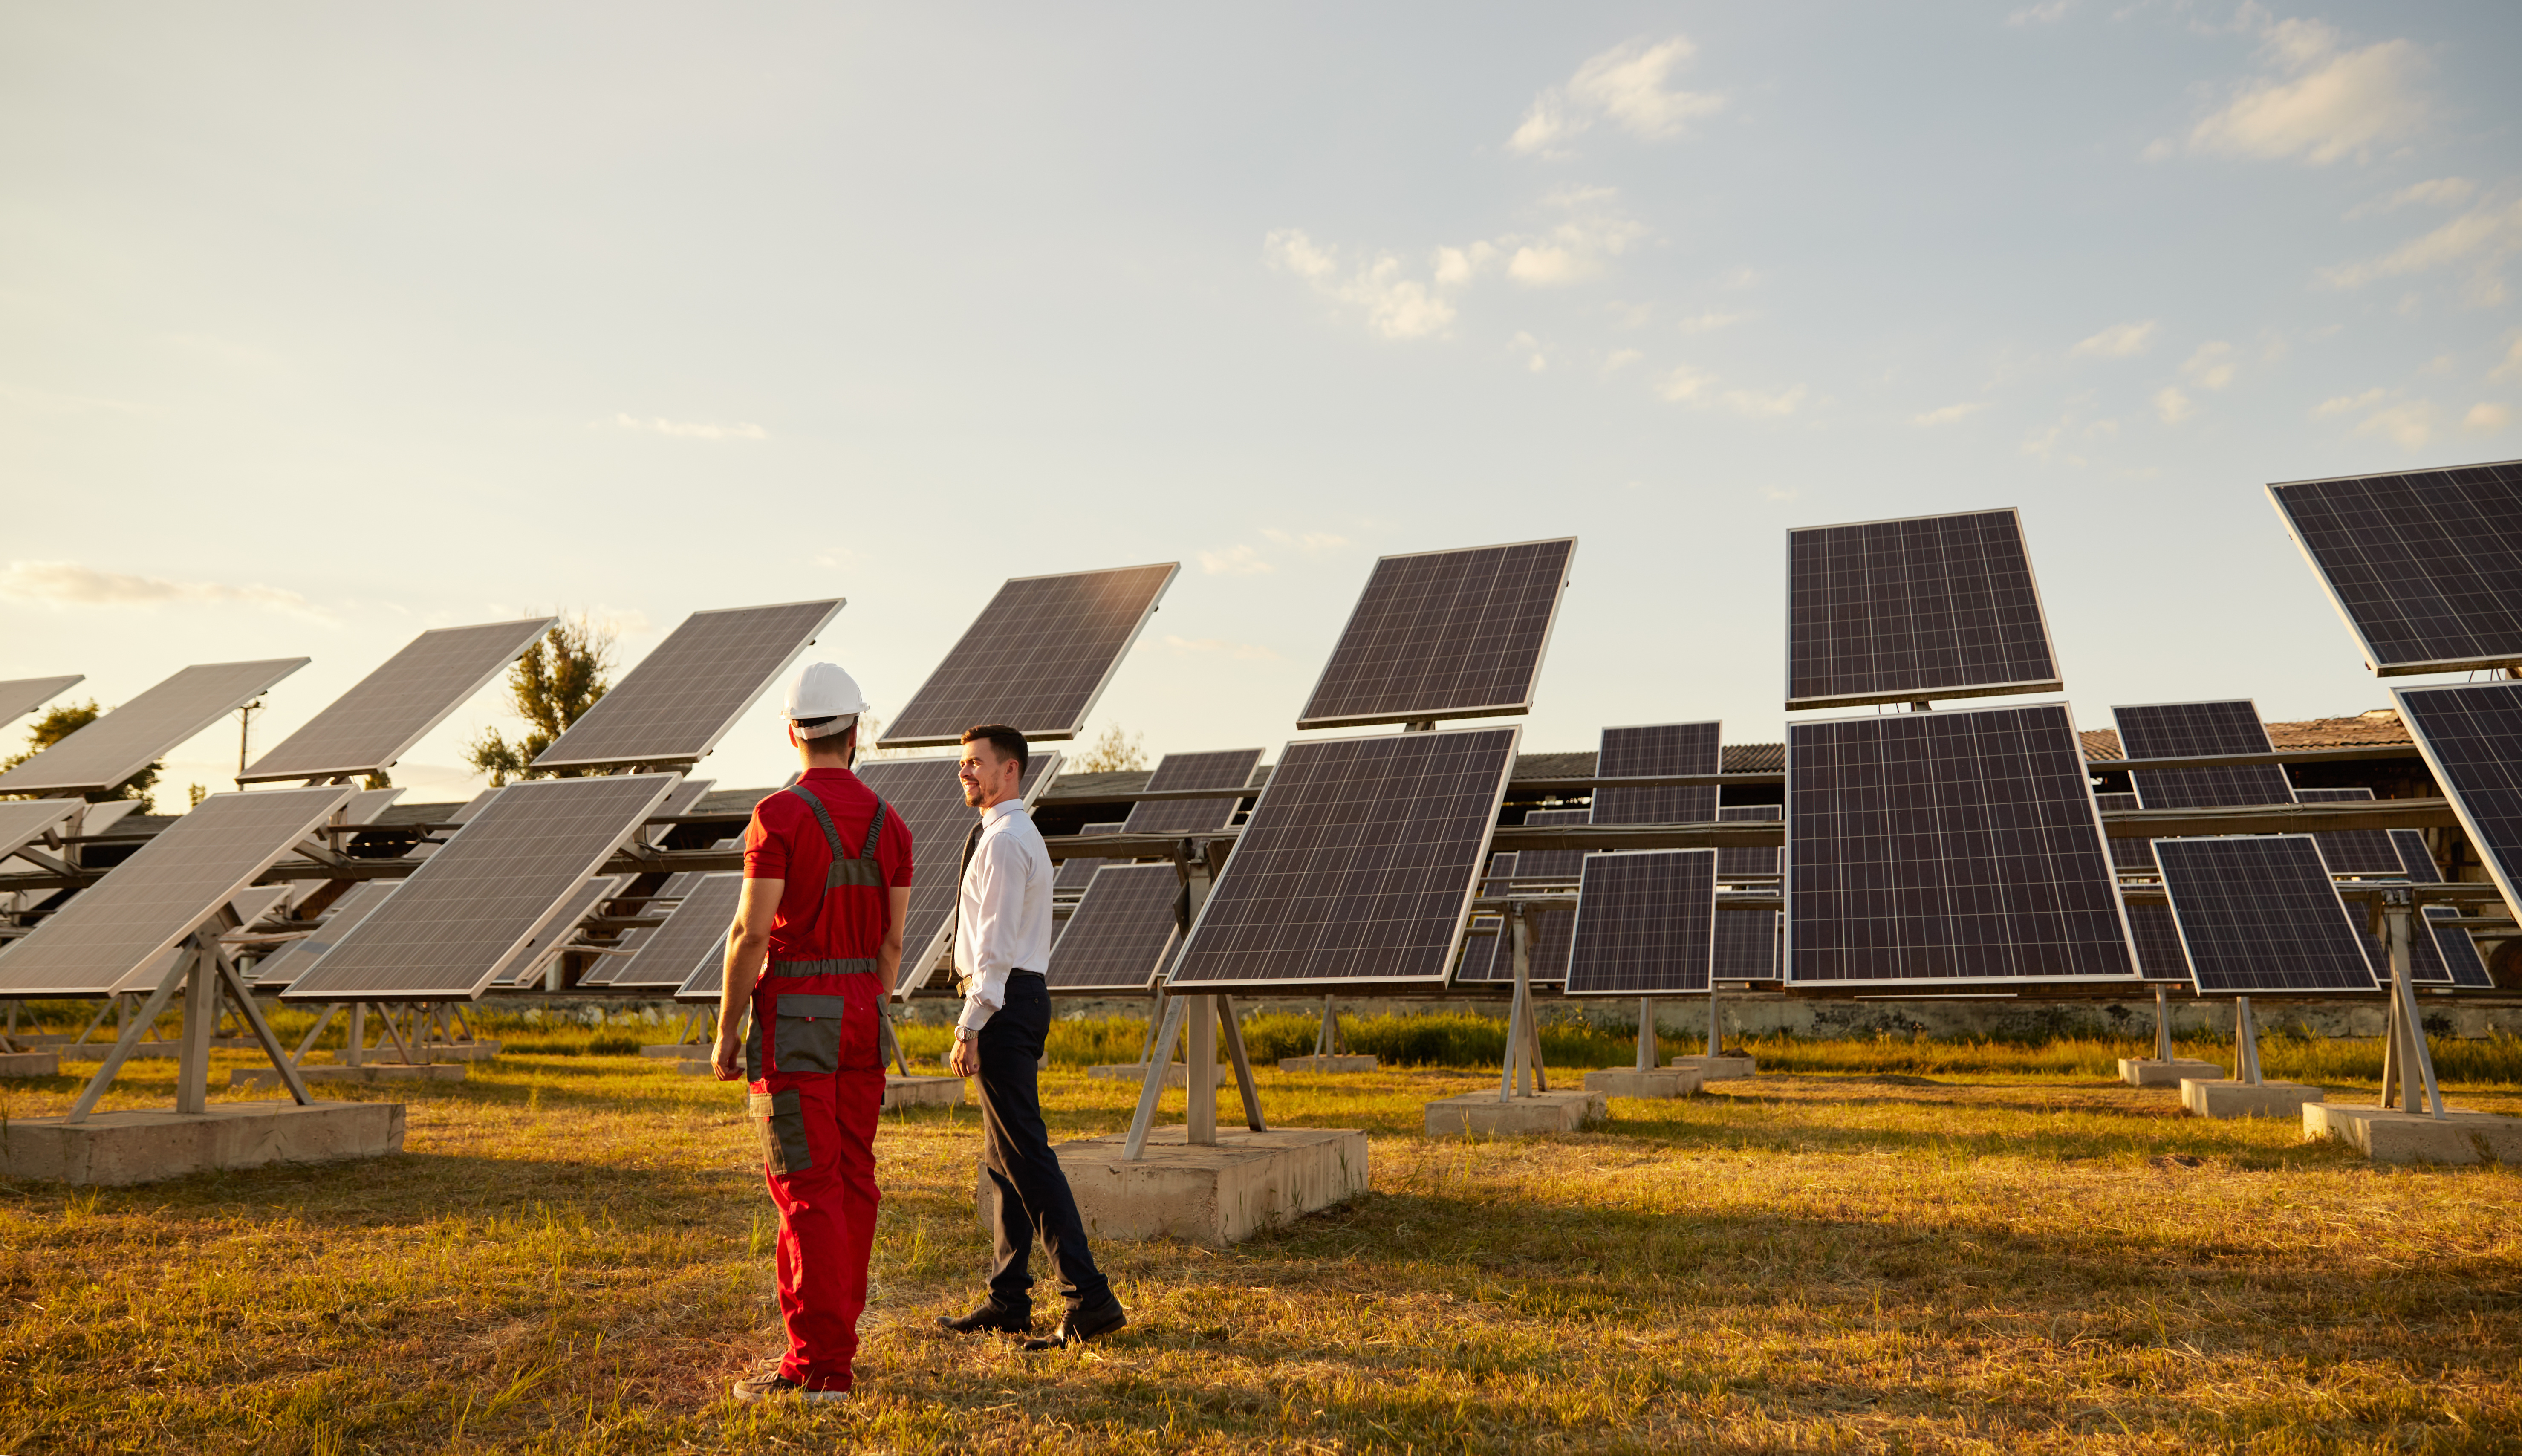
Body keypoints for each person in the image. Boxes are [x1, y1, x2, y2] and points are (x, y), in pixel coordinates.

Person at [714, 662, 913, 1403]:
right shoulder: (893, 824)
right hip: (865, 1007)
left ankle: (820, 1366)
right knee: (854, 1180)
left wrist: (728, 1027)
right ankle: (835, 1344)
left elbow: (749, 931)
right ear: (857, 731)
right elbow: (893, 944)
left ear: (792, 731)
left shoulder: (779, 815)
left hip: (796, 1011)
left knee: (805, 1188)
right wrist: (866, 997)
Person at [934, 723, 1127, 1351]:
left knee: (1026, 1157)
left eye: (975, 764)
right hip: (1015, 999)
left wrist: (971, 1022)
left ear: (1009, 771)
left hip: (1005, 1002)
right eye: (963, 764)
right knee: (1002, 1159)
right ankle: (1009, 1298)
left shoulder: (1005, 841)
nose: (964, 773)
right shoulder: (1006, 835)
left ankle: (1089, 1298)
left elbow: (993, 945)